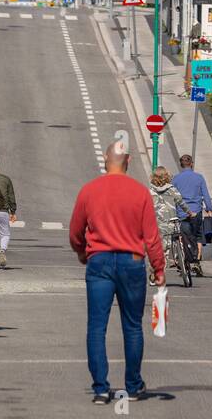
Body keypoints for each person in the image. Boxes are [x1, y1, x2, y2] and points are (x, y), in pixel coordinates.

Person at [69, 139, 165, 404]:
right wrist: (158, 268)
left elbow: (76, 231)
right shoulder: (140, 192)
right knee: (133, 326)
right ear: (129, 162)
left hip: (98, 261)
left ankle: (101, 388)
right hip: (132, 261)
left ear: (104, 159)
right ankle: (133, 386)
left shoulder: (89, 190)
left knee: (96, 326)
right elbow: (151, 236)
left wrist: (81, 252)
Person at [149, 167, 196, 285]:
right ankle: (180, 261)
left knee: (159, 249)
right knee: (173, 244)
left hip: (156, 223)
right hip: (171, 221)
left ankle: (155, 274)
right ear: (167, 176)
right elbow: (181, 202)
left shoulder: (150, 191)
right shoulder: (172, 189)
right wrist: (190, 213)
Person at [174, 154, 212, 275]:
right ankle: (196, 261)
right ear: (191, 164)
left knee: (184, 236)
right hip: (196, 211)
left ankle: (184, 262)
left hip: (182, 212)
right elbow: (205, 194)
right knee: (197, 236)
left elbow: (173, 195)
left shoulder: (176, 178)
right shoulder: (199, 177)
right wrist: (209, 207)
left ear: (181, 165)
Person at [0, 158, 17, 270]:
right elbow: (11, 196)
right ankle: (2, 250)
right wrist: (13, 211)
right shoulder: (6, 179)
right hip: (3, 211)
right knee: (5, 234)